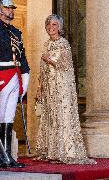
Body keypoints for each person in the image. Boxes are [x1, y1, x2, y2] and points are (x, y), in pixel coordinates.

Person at [35, 14, 95, 164]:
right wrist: (39, 87)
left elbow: (66, 65)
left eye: (54, 25)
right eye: (49, 24)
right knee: (52, 117)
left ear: (59, 27)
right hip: (49, 87)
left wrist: (49, 59)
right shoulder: (46, 44)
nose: (51, 27)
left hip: (62, 88)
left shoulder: (64, 44)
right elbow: (42, 69)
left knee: (62, 116)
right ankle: (52, 152)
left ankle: (66, 151)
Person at [0, 0, 30, 168]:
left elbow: (22, 57)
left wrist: (26, 77)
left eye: (12, 8)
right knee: (0, 115)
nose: (11, 11)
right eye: (7, 8)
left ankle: (7, 156)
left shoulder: (16, 32)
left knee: (9, 116)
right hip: (0, 77)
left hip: (15, 76)